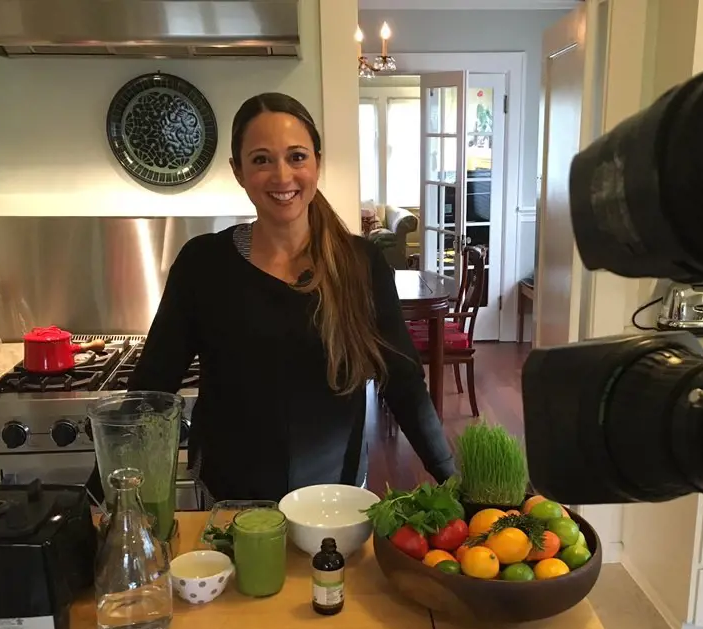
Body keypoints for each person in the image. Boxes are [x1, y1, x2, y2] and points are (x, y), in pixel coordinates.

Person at [113, 92, 456, 506]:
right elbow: (151, 389)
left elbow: (403, 383)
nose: (282, 176)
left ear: (317, 162)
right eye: (261, 160)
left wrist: (453, 480)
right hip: (231, 501)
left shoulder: (361, 265)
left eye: (296, 156)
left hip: (336, 499)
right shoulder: (202, 264)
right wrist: (104, 501)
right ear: (238, 172)